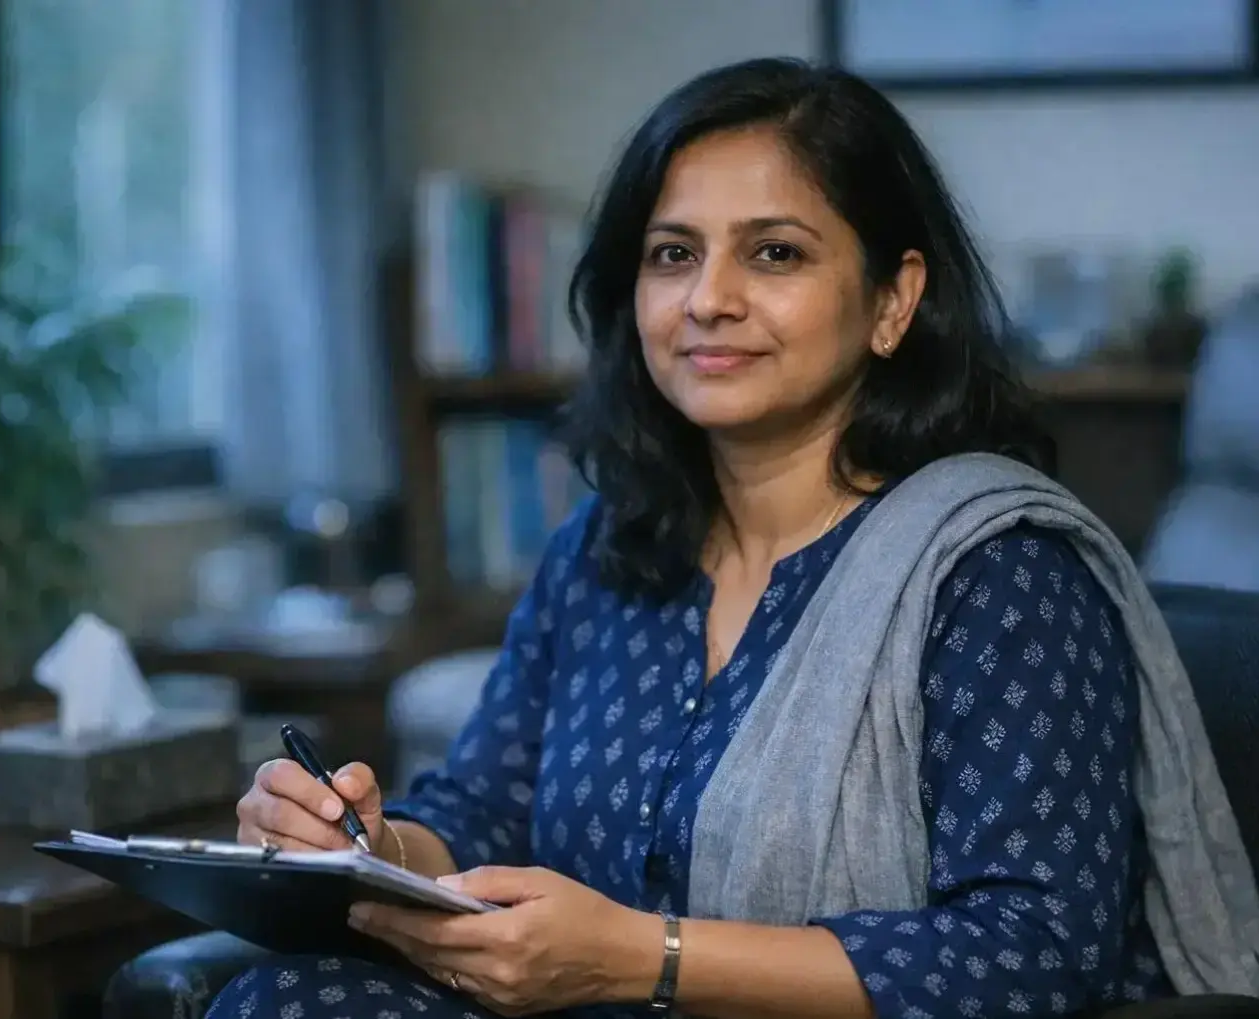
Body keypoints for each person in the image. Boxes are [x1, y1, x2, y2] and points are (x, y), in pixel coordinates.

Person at [209, 58, 1252, 1019]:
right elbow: (485, 808)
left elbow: (1032, 949)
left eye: (775, 253)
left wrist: (641, 955)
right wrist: (361, 846)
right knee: (284, 996)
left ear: (894, 301)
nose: (709, 299)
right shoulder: (607, 550)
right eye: (673, 254)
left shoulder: (997, 572)